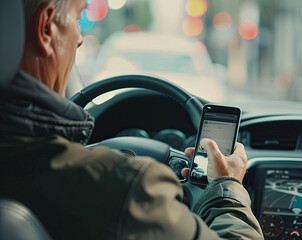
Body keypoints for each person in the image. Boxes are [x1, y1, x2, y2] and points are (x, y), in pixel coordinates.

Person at [0, 0, 264, 239]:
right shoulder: (126, 191)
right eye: (78, 19)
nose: (79, 39)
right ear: (46, 28)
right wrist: (226, 188)